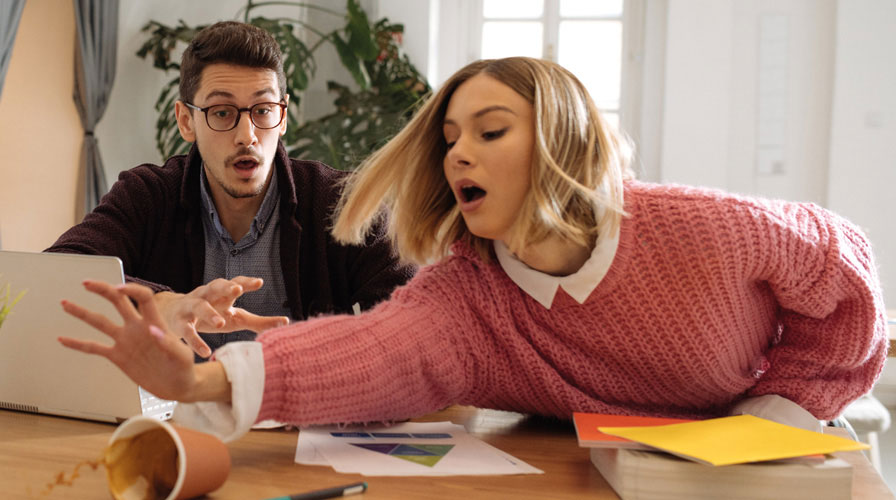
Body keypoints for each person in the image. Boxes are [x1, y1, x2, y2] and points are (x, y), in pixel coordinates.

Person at [56, 56, 887, 441]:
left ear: (560, 134)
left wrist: (774, 411)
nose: (458, 154)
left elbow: (845, 279)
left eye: (490, 131)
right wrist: (193, 378)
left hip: (765, 458)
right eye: (448, 138)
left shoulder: (700, 230)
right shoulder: (464, 299)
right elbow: (368, 349)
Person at [47, 21, 413, 359]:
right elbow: (58, 274)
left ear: (282, 117)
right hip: (179, 421)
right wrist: (161, 306)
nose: (247, 136)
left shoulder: (339, 201)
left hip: (297, 422)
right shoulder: (148, 194)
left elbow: (416, 322)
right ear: (186, 121)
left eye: (263, 110)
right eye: (222, 112)